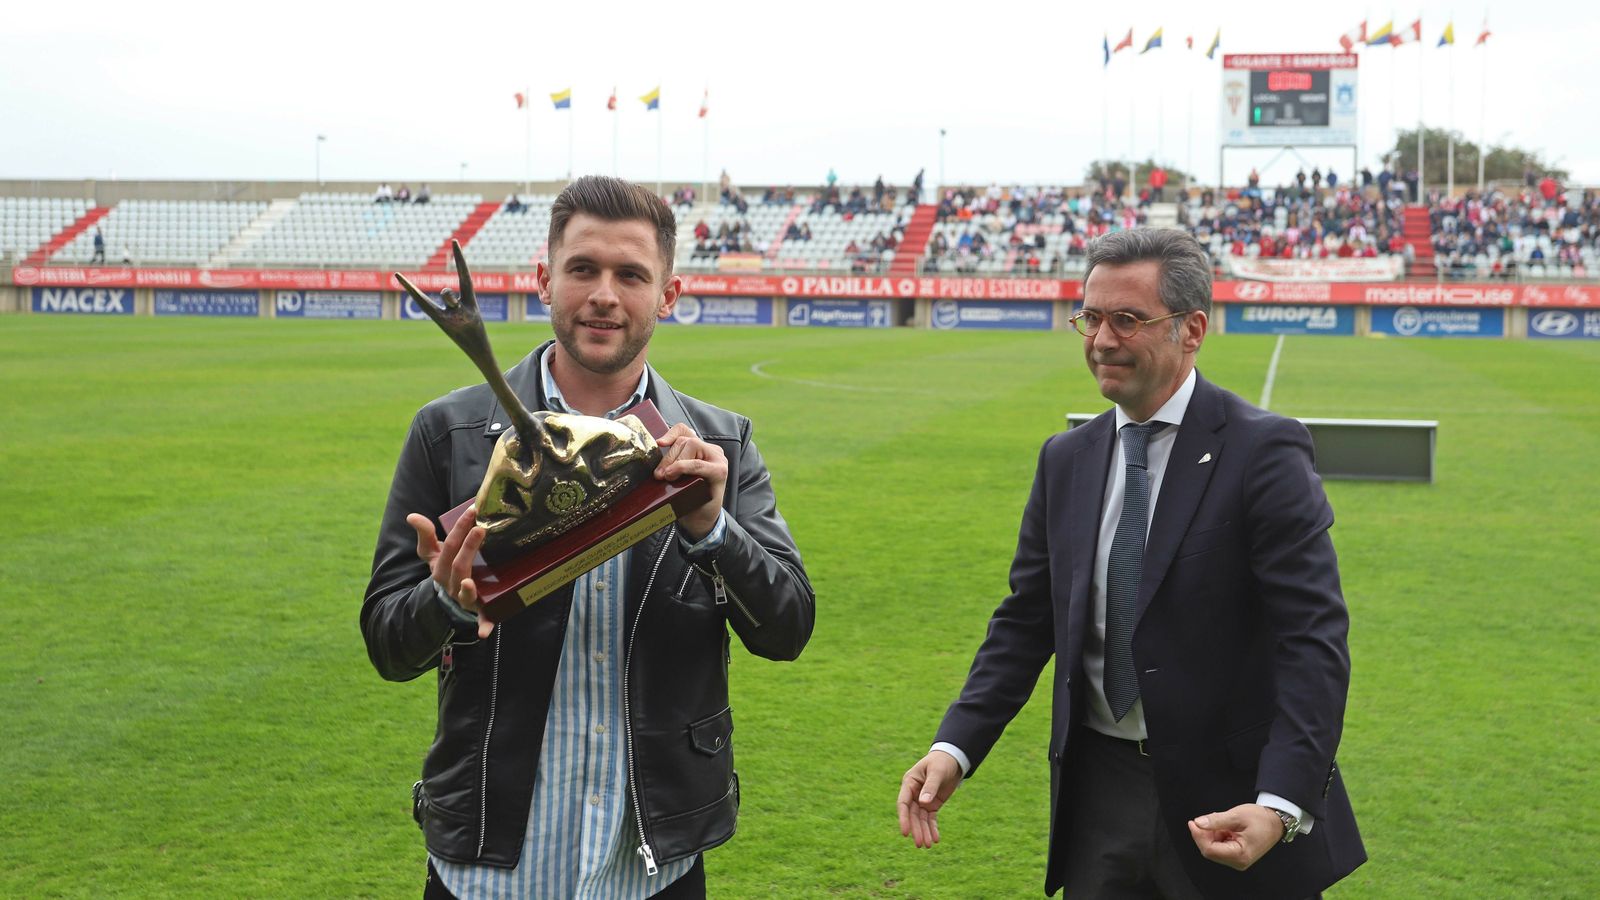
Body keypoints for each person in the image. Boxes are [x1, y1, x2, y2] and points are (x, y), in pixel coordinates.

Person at [363, 175, 815, 900]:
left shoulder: (721, 445)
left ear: (668, 295)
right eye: (583, 269)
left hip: (650, 868)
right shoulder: (448, 434)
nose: (605, 294)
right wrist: (443, 604)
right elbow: (387, 644)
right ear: (544, 279)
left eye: (631, 274)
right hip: (483, 867)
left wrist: (711, 528)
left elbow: (787, 628)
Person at [897, 228, 1364, 899]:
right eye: (1090, 318)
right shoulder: (1066, 459)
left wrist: (1280, 802)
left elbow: (1313, 642)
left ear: (1191, 328)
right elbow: (1027, 620)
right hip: (1099, 800)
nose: (1101, 340)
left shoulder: (1265, 453)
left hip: (1233, 805)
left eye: (1127, 320)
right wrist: (955, 747)